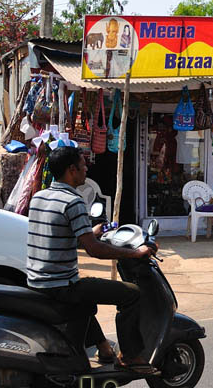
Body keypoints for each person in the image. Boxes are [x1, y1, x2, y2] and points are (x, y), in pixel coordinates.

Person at [26, 145, 155, 371]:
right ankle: (131, 356)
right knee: (131, 294)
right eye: (83, 165)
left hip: (38, 282)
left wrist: (88, 233)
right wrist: (135, 253)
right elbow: (94, 250)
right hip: (61, 286)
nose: (87, 169)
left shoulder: (39, 197)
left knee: (88, 292)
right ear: (71, 170)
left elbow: (58, 234)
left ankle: (104, 349)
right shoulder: (73, 201)